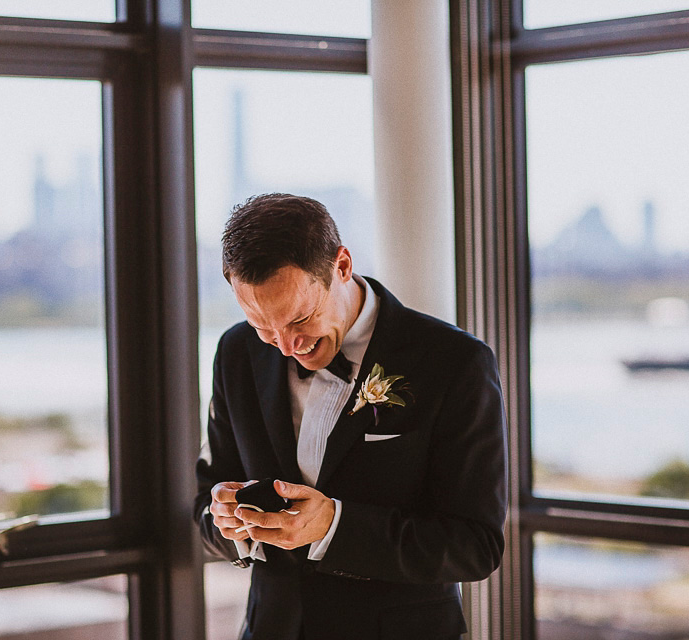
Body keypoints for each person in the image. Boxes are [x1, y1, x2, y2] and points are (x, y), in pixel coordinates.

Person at [195, 193, 507, 640]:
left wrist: (333, 526)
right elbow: (204, 501)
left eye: (301, 318)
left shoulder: (454, 362)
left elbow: (476, 546)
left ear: (341, 266)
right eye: (264, 326)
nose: (286, 346)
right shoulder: (236, 352)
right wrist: (228, 521)